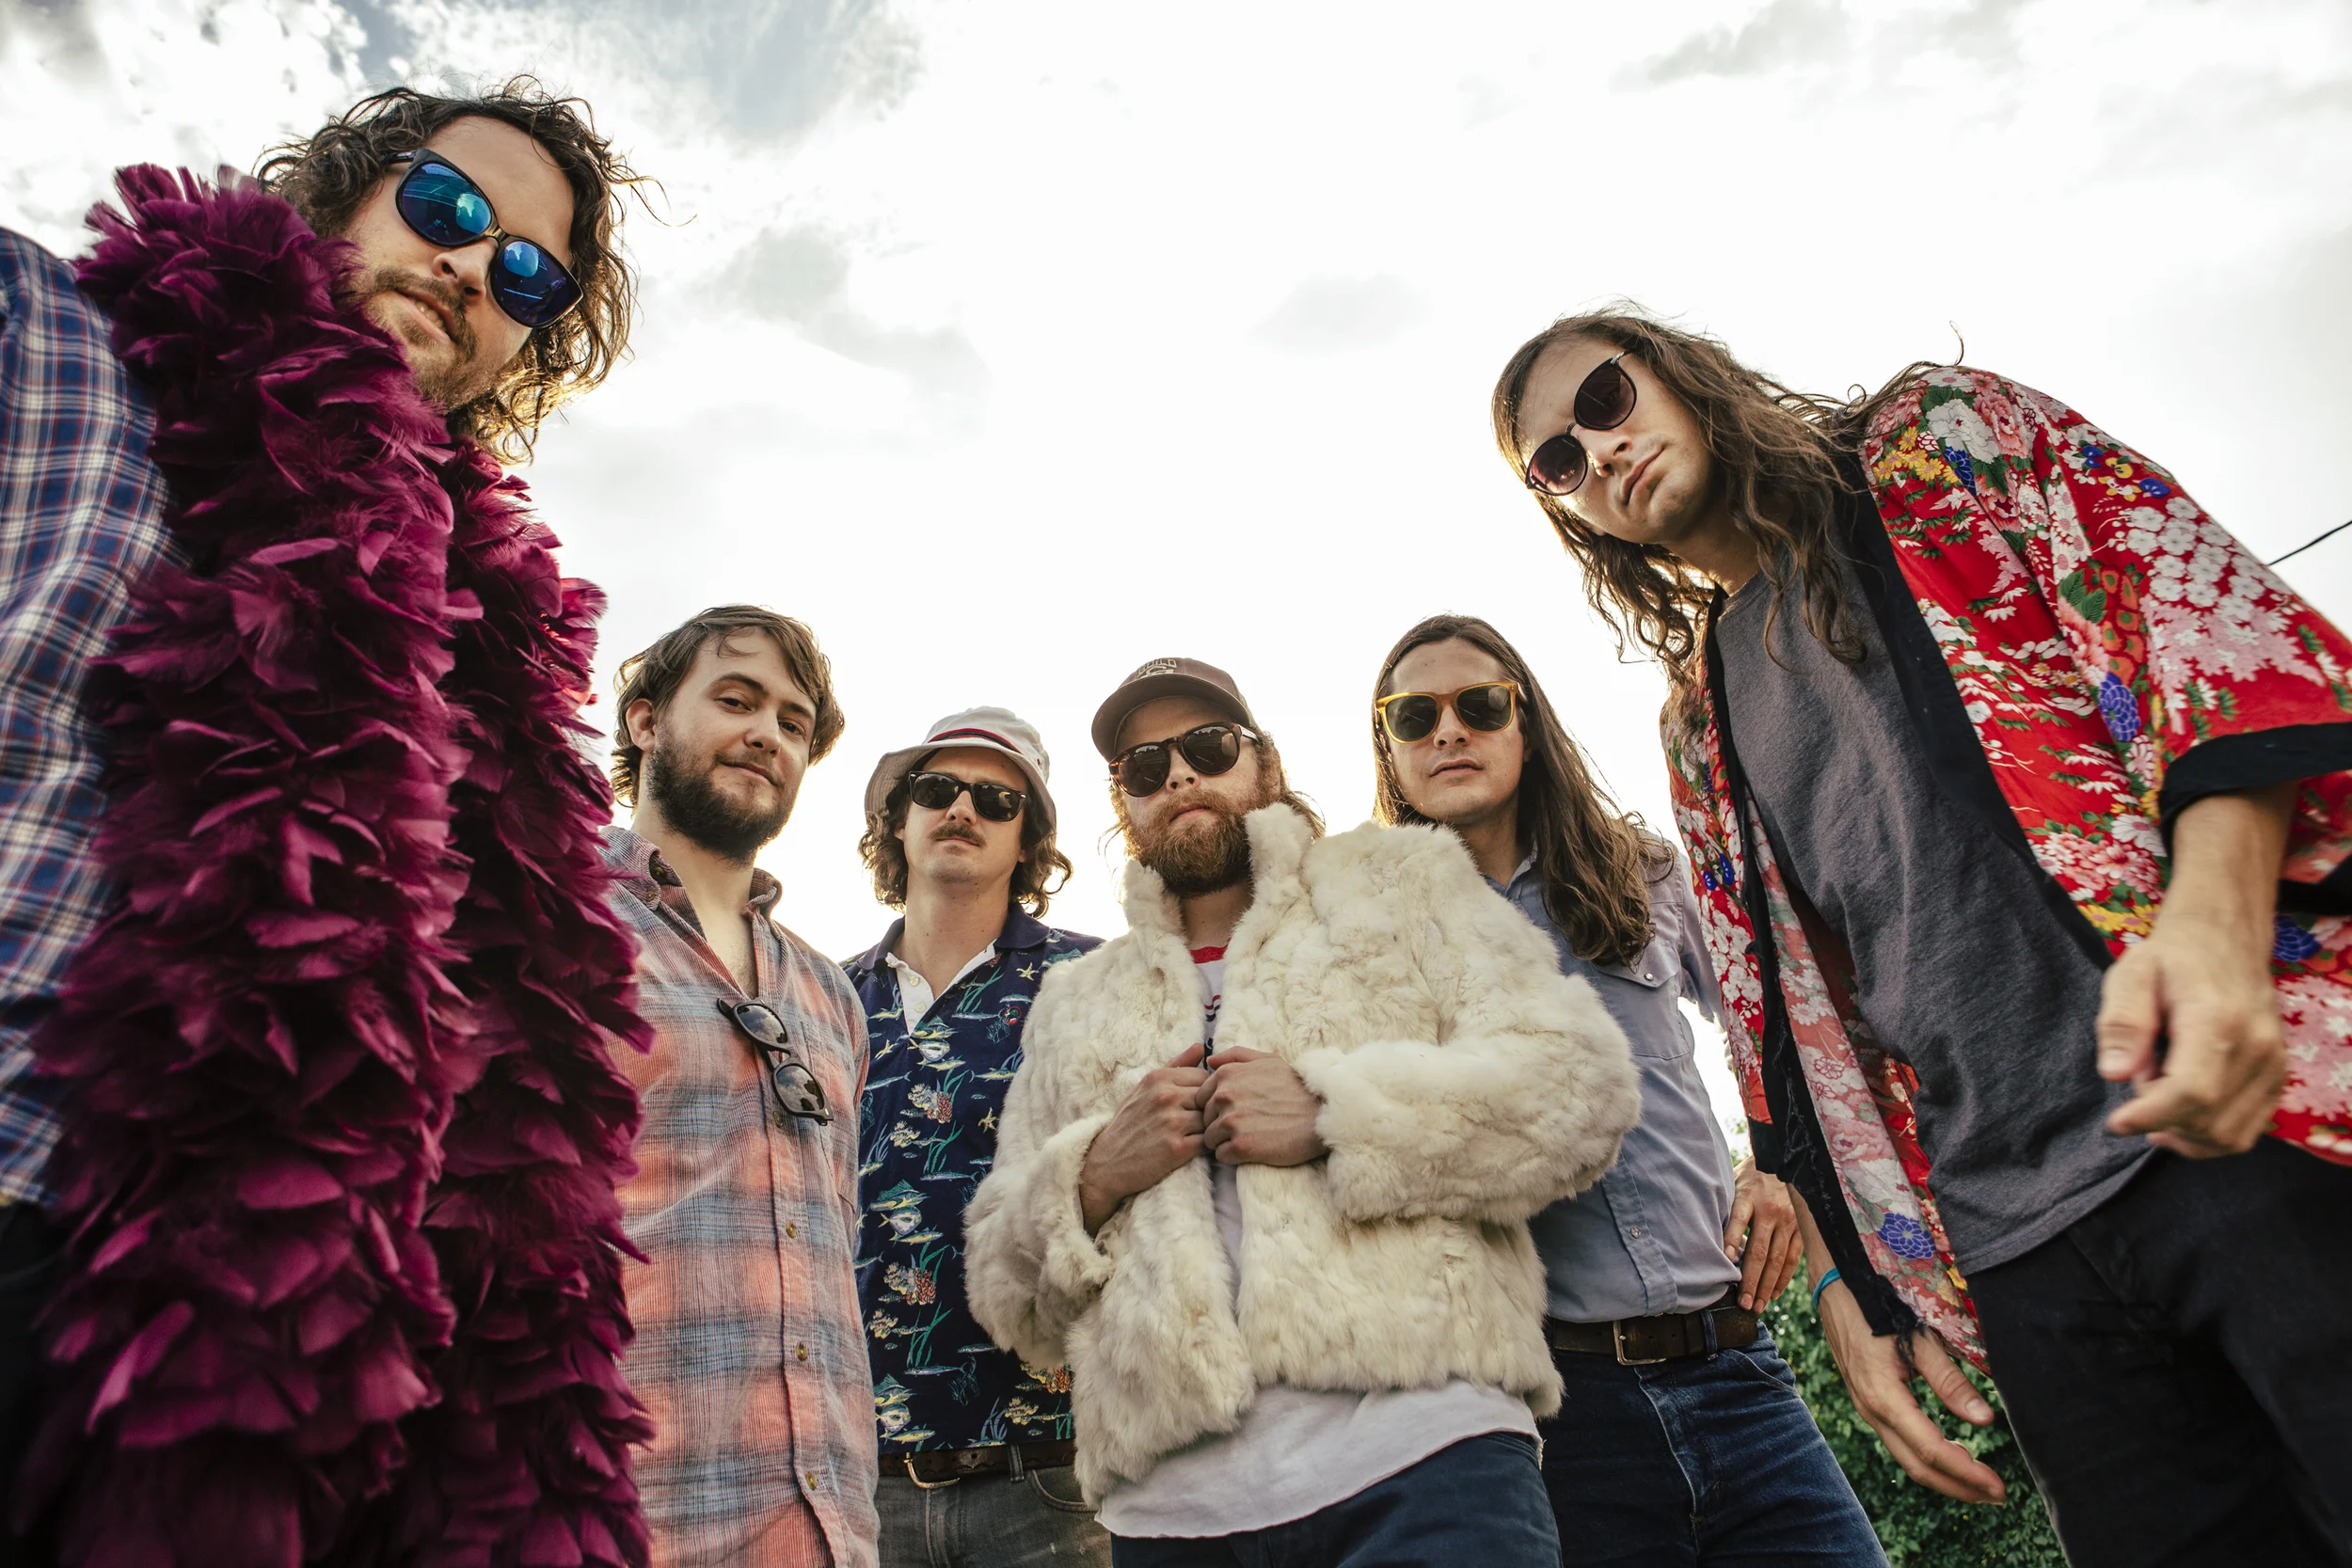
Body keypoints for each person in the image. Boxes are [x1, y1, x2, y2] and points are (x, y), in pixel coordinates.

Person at [1489, 307, 2352, 1567]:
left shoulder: (1939, 442)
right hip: (2023, 1248)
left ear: (1679, 371)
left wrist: (2215, 929)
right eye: (1558, 460)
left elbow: (2199, 629)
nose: (1599, 450)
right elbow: (1780, 1041)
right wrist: (1851, 1286)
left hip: (2238, 1112)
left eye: (1606, 398)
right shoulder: (1699, 726)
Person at [3, 82, 651, 1564]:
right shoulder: (58, 341)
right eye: (444, 207)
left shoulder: (480, 642)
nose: (470, 266)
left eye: (527, 274)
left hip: (257, 1364)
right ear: (346, 192)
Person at [965, 657, 1641, 1568]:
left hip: (1429, 1458)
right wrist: (1091, 1178)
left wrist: (1333, 1113)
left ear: (1265, 761)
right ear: (1124, 801)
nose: (1180, 775)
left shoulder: (1400, 883)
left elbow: (1580, 1084)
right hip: (1171, 1518)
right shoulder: (1075, 1001)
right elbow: (1006, 1294)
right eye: (1146, 766)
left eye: (1209, 746)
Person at [1371, 612, 1885, 1568]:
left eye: (1480, 704)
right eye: (1415, 715)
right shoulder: (1375, 940)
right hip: (1563, 1416)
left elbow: (1779, 1036)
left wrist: (1773, 1167)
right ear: (1390, 750)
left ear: (1526, 724)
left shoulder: (1641, 872)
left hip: (1742, 1371)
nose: (1449, 731)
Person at [601, 607, 878, 1568]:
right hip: (625, 1520)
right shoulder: (546, 924)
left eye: (793, 722)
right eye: (735, 699)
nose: (768, 732)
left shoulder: (832, 994)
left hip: (825, 1530)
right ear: (645, 721)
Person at [842, 708, 1109, 1566]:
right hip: (853, 1486)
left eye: (997, 799)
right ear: (899, 819)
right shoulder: (821, 997)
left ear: (1028, 838)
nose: (963, 808)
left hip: (1048, 1478)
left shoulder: (1095, 981)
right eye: (938, 788)